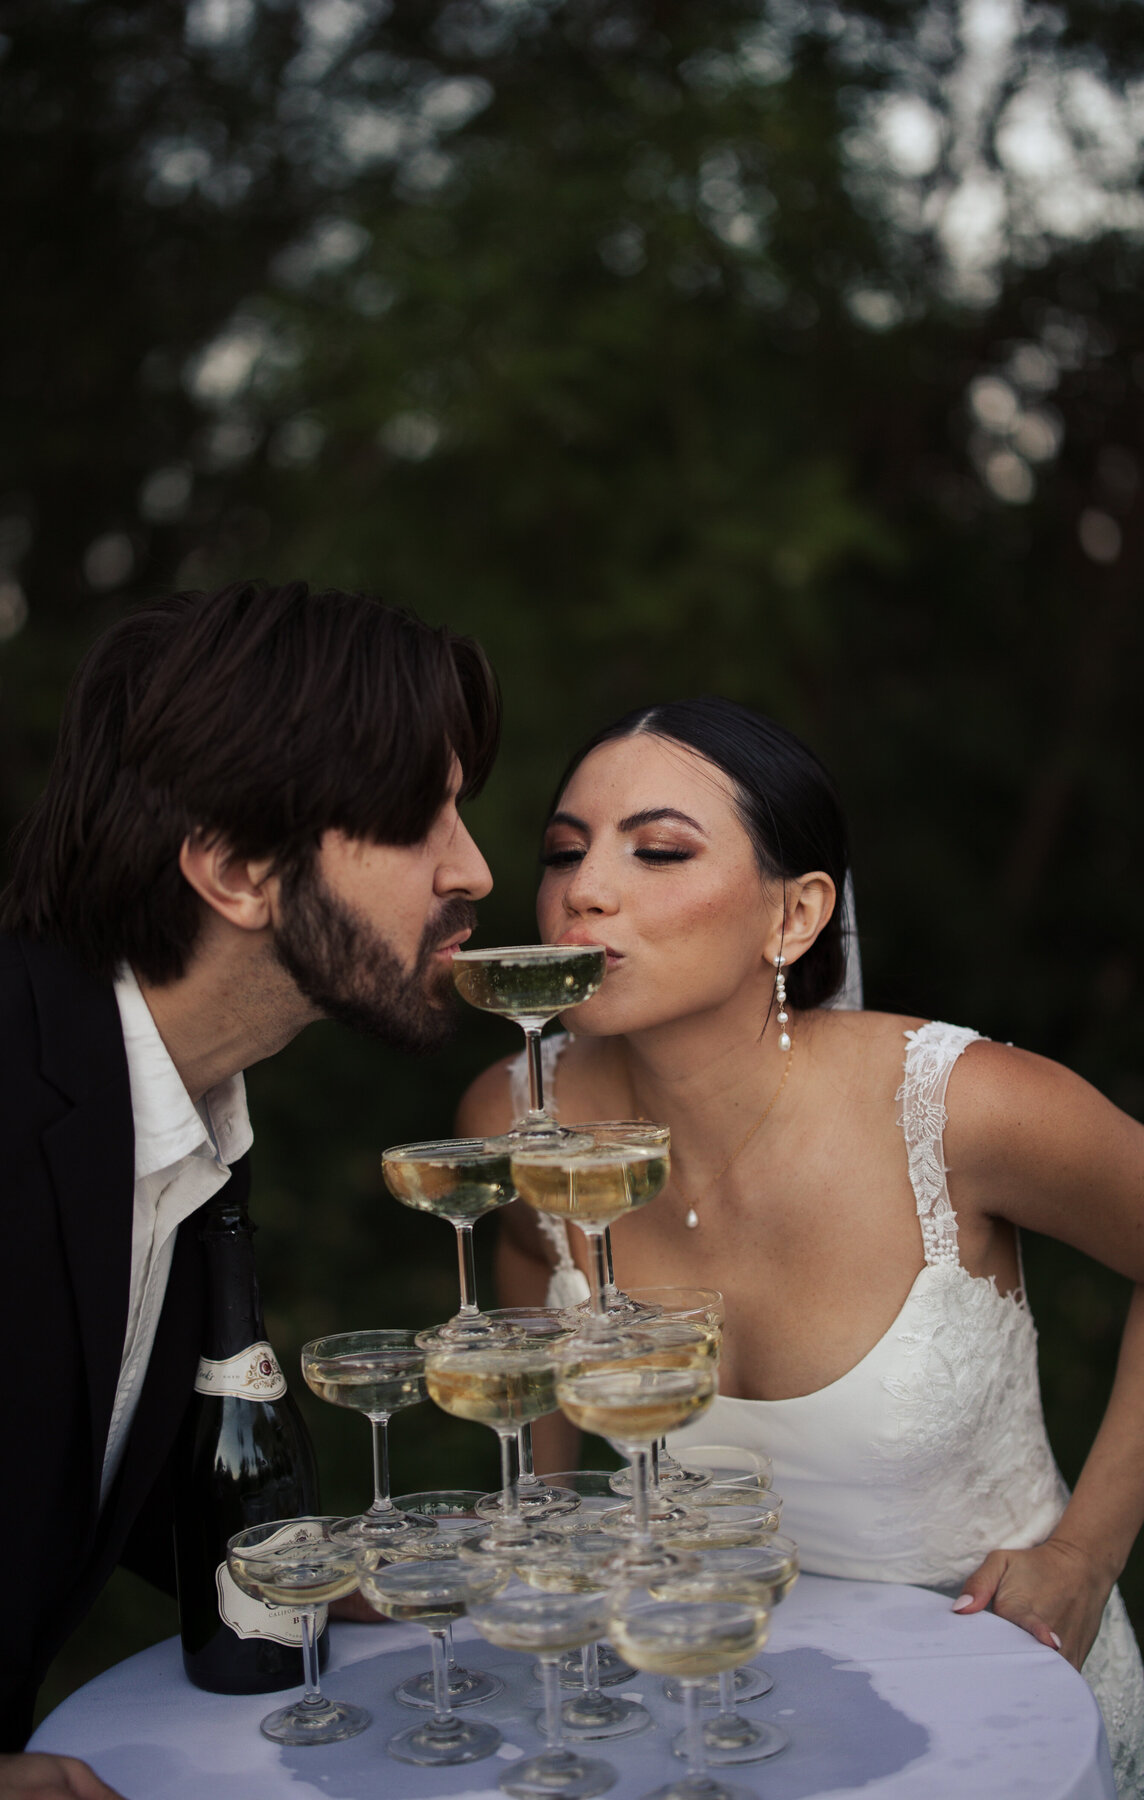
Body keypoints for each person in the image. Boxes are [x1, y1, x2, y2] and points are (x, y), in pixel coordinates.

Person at [457, 695, 1144, 1795]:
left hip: (1003, 1719)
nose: (583, 889)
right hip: (696, 1717)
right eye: (564, 851)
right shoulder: (516, 1122)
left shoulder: (961, 1107)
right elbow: (531, 1263)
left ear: (796, 915)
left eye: (660, 851)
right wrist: (539, 1534)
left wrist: (1087, 1555)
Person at [0, 580, 498, 1799]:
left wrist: (316, 1565)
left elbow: (66, 1443)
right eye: (425, 818)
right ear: (240, 870)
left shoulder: (188, 1112)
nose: (479, 869)